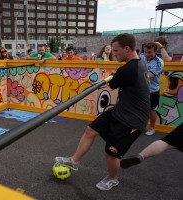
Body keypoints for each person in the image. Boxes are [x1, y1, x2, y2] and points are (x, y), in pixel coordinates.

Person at [55, 33, 150, 191]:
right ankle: (74, 161)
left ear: (127, 49)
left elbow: (112, 84)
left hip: (132, 120)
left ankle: (113, 178)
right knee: (90, 130)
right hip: (120, 111)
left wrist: (112, 77)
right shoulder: (139, 63)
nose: (114, 53)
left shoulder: (128, 69)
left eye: (116, 50)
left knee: (111, 154)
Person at [140, 42, 164, 136]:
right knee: (140, 108)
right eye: (145, 52)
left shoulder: (159, 62)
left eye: (149, 52)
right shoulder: (141, 57)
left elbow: (149, 75)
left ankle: (152, 127)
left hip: (152, 90)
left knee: (151, 110)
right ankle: (140, 125)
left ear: (155, 51)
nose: (146, 55)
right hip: (141, 89)